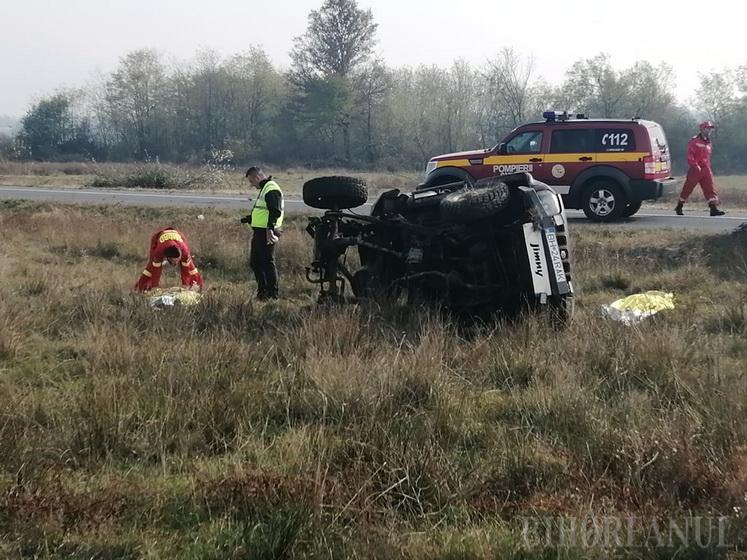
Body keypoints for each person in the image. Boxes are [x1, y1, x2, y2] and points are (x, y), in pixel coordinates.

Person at [241, 166, 284, 300]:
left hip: (267, 232)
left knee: (267, 263)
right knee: (255, 262)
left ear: (257, 177)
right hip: (261, 231)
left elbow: (275, 211)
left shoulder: (271, 188)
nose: (251, 185)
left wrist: (270, 229)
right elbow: (264, 210)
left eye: (251, 181)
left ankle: (272, 295)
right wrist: (250, 219)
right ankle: (263, 292)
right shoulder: (265, 188)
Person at [675, 121, 725, 216]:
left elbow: (707, 157)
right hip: (695, 169)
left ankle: (713, 209)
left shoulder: (709, 142)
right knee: (688, 188)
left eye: (710, 129)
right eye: (707, 128)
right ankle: (679, 206)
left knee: (710, 189)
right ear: (702, 129)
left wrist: (708, 167)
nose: (709, 130)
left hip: (706, 169)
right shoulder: (694, 141)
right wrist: (694, 165)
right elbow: (690, 155)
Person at [135, 227, 204, 292]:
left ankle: (198, 286)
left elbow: (186, 270)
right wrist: (155, 287)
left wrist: (185, 285)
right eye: (174, 261)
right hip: (158, 237)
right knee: (151, 266)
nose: (176, 263)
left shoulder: (185, 251)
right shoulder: (159, 252)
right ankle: (142, 287)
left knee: (190, 267)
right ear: (168, 258)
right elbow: (156, 271)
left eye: (177, 260)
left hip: (179, 236)